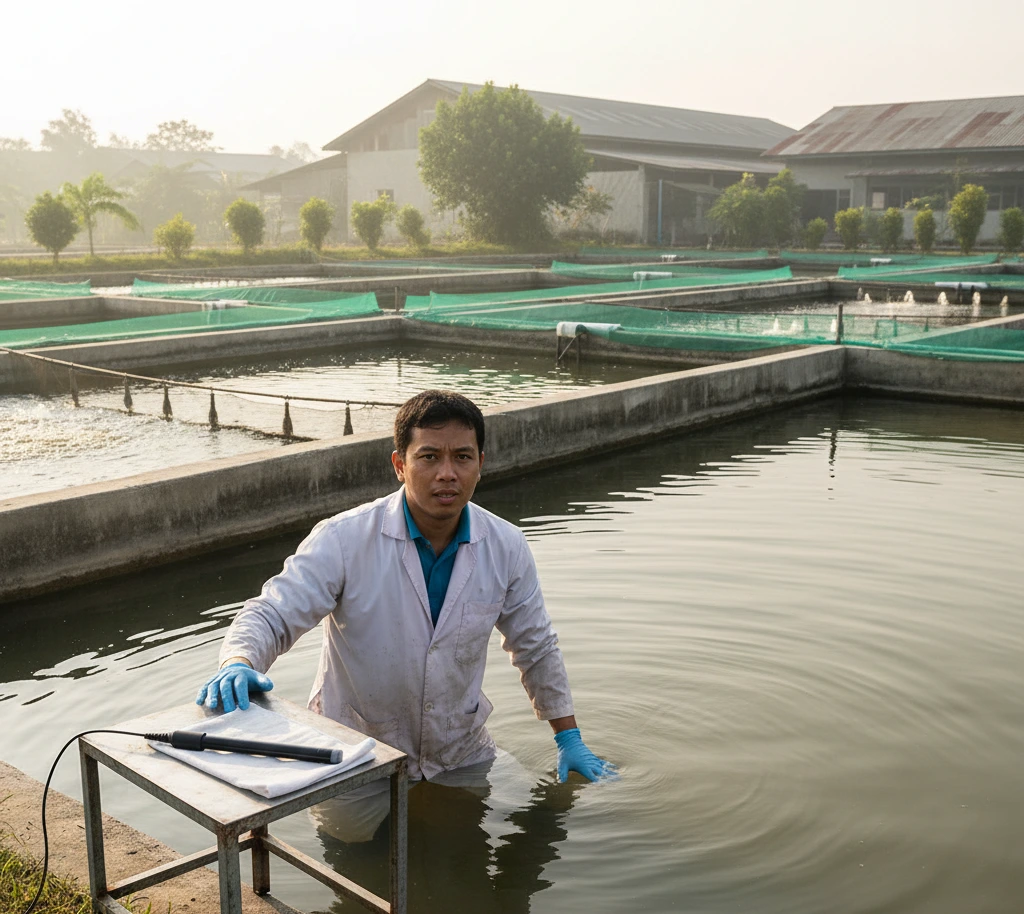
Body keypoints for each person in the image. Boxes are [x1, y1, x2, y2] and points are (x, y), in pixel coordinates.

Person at [196, 389, 613, 812]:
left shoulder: (505, 545)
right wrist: (239, 661)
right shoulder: (344, 539)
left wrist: (568, 737)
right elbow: (273, 613)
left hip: (459, 747)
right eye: (429, 457)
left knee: (522, 830)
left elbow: (535, 645)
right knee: (355, 864)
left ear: (481, 464)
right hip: (356, 752)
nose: (447, 473)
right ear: (400, 464)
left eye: (462, 457)